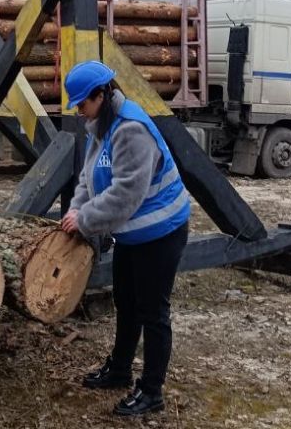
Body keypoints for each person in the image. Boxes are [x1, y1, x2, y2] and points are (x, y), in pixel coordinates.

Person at [60, 61, 190, 417]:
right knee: (125, 301)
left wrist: (85, 220)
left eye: (82, 104)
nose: (79, 111)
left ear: (100, 95)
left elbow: (125, 195)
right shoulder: (100, 125)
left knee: (153, 311)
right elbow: (88, 178)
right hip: (133, 234)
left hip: (161, 231)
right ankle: (119, 370)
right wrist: (75, 211)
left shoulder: (131, 129)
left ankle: (151, 392)